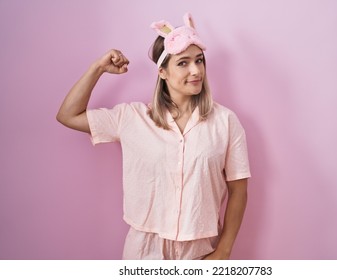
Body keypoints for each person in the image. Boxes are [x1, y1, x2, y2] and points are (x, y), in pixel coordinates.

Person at [56, 13, 251, 260]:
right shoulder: (132, 118)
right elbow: (68, 115)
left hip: (202, 250)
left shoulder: (225, 122)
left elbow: (239, 190)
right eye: (183, 63)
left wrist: (223, 251)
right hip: (144, 251)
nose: (195, 70)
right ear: (162, 71)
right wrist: (98, 68)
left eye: (199, 61)